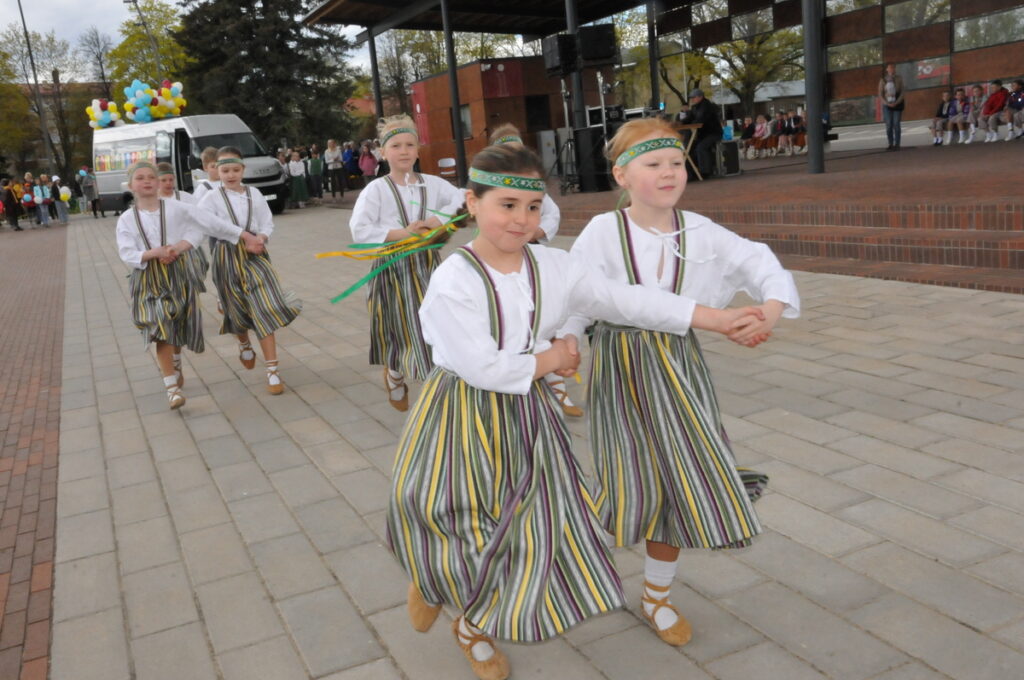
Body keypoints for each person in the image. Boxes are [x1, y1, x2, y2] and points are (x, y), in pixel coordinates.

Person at [388, 143, 769, 680]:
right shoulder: (455, 278)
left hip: (530, 418)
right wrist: (552, 357)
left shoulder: (555, 265)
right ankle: (439, 587)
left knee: (531, 525)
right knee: (466, 517)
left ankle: (469, 622)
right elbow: (481, 366)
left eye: (533, 207)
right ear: (471, 204)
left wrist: (714, 318)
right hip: (463, 416)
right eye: (506, 205)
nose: (522, 220)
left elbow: (627, 300)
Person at [565, 118, 799, 648]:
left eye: (675, 163)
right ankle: (569, 571)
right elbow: (580, 296)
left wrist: (768, 309)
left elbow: (758, 260)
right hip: (622, 371)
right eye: (653, 164)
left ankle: (656, 595)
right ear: (622, 174)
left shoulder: (699, 229)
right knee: (634, 485)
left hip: (679, 368)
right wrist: (567, 349)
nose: (668, 173)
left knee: (678, 483)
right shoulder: (604, 232)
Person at [116, 160, 264, 409]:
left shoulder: (176, 207)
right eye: (140, 178)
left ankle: (175, 357)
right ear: (131, 185)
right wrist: (154, 253)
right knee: (160, 325)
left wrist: (244, 236)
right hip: (149, 278)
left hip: (179, 273)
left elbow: (206, 226)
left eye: (151, 176)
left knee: (177, 323)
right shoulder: (127, 219)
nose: (147, 181)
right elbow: (127, 252)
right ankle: (171, 387)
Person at [348, 115, 464, 411]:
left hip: (427, 266)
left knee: (432, 323)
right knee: (401, 326)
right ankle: (397, 373)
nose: (403, 151)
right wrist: (402, 233)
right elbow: (359, 231)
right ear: (383, 153)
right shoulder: (376, 190)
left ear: (418, 149)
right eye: (396, 145)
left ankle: (435, 389)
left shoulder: (433, 184)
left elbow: (464, 199)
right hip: (392, 269)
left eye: (410, 144)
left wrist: (437, 221)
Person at [488, 123, 580, 417]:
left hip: (537, 259)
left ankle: (558, 389)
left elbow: (552, 212)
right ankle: (528, 378)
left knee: (548, 317)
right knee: (522, 323)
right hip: (507, 265)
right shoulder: (492, 186)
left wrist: (537, 230)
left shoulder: (534, 186)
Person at [198, 147, 302, 395]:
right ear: (217, 171)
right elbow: (206, 222)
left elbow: (267, 220)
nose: (230, 175)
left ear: (243, 169)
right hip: (226, 255)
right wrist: (240, 235)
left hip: (255, 253)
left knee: (264, 306)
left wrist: (262, 237)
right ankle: (243, 341)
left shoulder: (253, 193)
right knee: (236, 308)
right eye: (225, 170)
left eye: (235, 170)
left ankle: (273, 370)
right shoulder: (211, 198)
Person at [678, 89, 722, 177]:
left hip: (713, 133)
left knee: (701, 147)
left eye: (694, 98)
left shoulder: (707, 106)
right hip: (703, 135)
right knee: (689, 149)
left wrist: (690, 123)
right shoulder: (695, 107)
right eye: (692, 98)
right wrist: (680, 123)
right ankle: (692, 173)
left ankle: (705, 172)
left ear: (700, 97)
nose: (692, 100)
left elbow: (701, 119)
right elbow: (690, 118)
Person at [878, 63, 905, 151]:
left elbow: (902, 92)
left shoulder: (899, 78)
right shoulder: (883, 80)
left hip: (897, 103)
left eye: (893, 67)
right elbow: (880, 94)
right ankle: (890, 143)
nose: (892, 69)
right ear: (887, 69)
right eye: (890, 68)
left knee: (896, 124)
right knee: (889, 124)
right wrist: (886, 103)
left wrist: (897, 102)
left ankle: (897, 144)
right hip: (887, 104)